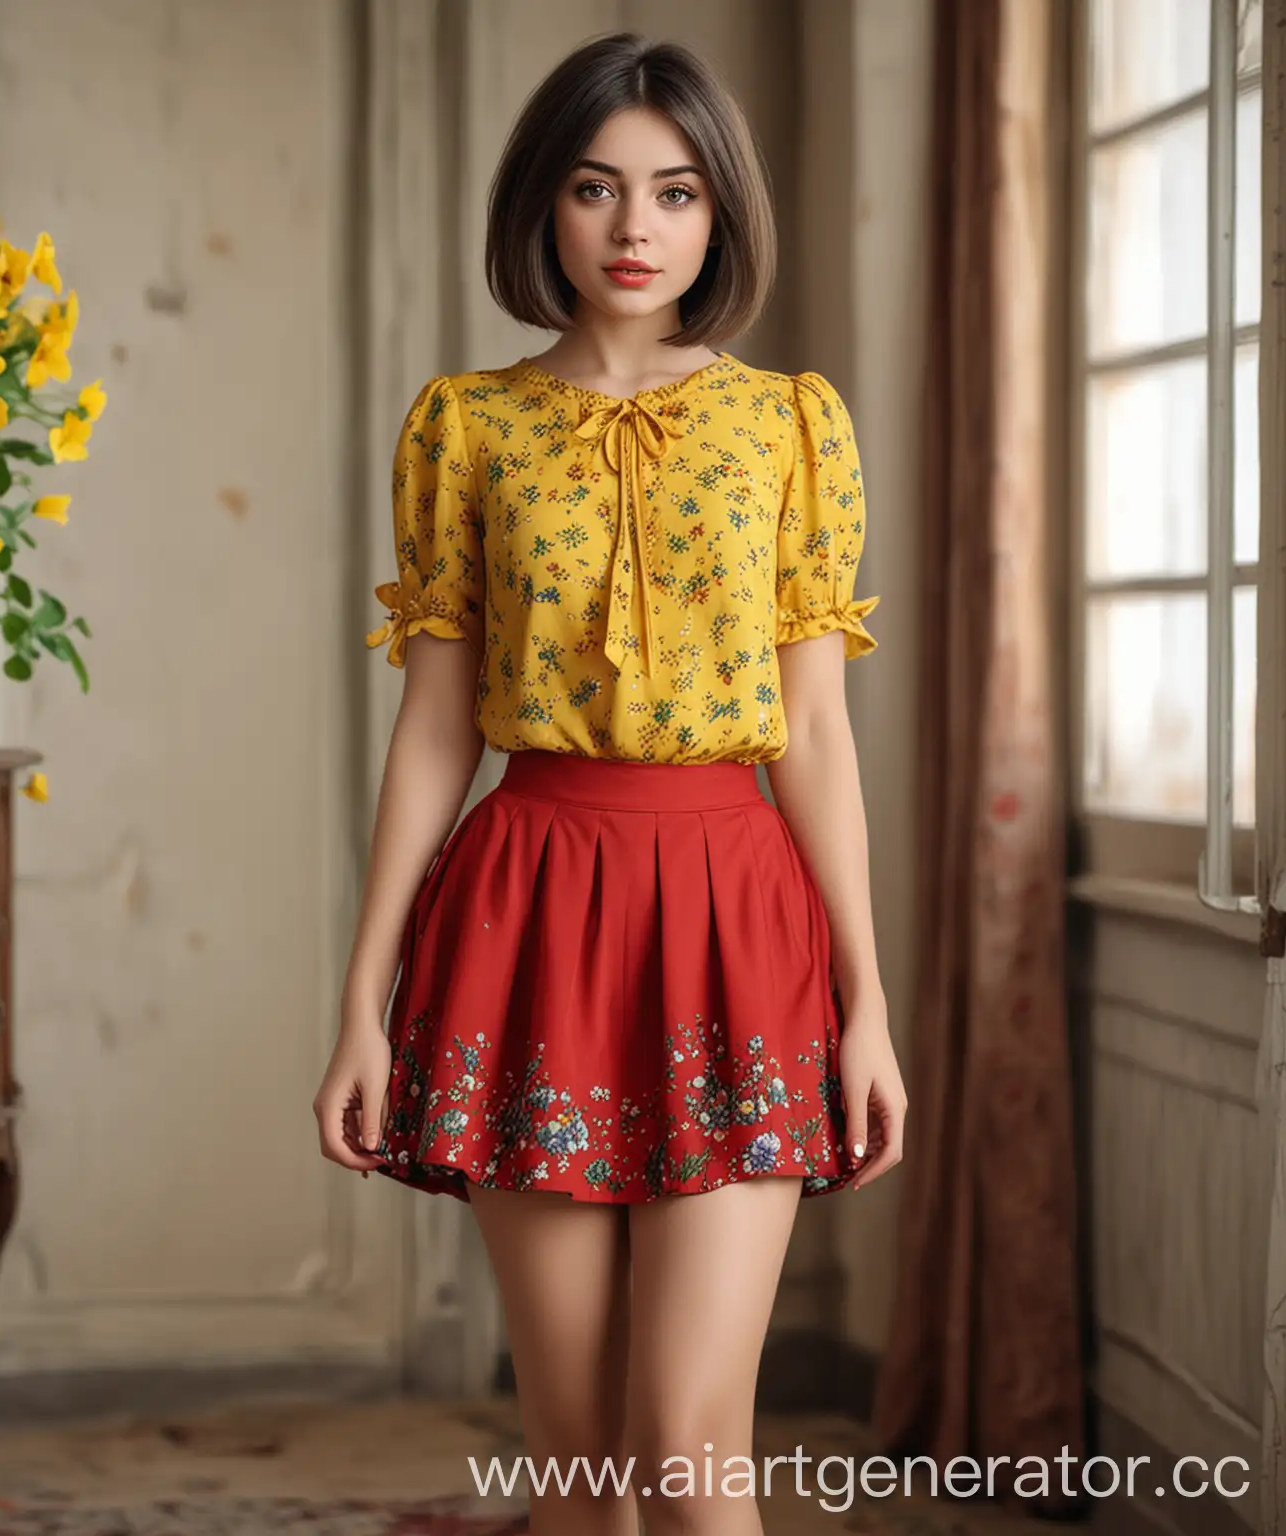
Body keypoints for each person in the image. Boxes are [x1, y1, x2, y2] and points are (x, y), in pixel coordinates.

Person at [314, 30, 907, 1536]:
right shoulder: (469, 427)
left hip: (736, 911)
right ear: (547, 207)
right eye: (596, 189)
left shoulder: (793, 426)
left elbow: (817, 735)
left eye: (676, 192)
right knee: (577, 1451)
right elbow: (437, 726)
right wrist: (361, 1002)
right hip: (528, 916)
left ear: (721, 218)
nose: (635, 229)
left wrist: (871, 1002)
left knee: (691, 1439)